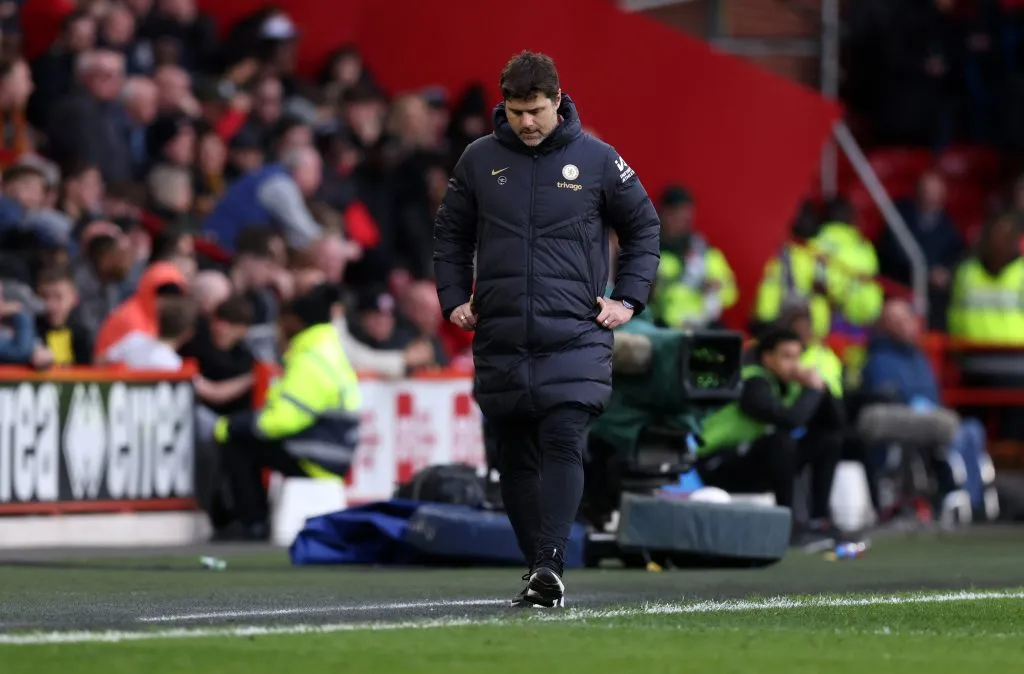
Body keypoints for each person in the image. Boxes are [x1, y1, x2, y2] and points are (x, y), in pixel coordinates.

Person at [433, 51, 660, 608]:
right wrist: (451, 299)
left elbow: (644, 227)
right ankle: (541, 569)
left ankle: (551, 561)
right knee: (513, 455)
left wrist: (629, 298)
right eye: (515, 112)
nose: (526, 122)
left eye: (535, 110)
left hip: (577, 331)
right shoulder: (478, 161)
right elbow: (450, 236)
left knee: (563, 439)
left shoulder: (600, 160)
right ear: (503, 106)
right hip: (503, 332)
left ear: (557, 101)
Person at [212, 283, 361, 541]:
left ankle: (251, 523)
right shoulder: (326, 348)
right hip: (332, 450)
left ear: (296, 321)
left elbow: (282, 420)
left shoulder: (312, 357)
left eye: (283, 319)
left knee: (238, 443)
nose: (279, 325)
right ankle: (253, 518)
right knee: (247, 437)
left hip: (319, 454)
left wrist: (233, 425)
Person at [697, 328, 842, 544]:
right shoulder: (752, 382)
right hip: (718, 464)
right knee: (780, 442)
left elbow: (837, 423)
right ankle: (788, 525)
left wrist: (824, 389)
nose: (794, 364)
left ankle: (818, 520)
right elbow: (791, 420)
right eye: (786, 356)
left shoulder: (787, 385)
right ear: (767, 357)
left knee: (828, 440)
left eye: (797, 357)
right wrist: (812, 391)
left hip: (753, 462)